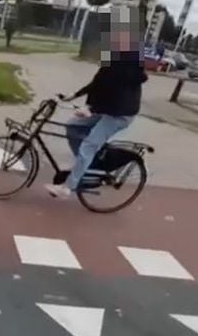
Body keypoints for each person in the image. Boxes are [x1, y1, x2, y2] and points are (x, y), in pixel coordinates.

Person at [46, 12, 148, 199]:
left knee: (88, 146)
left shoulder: (130, 58)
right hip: (108, 109)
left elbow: (117, 88)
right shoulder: (114, 54)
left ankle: (67, 188)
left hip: (120, 114)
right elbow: (99, 82)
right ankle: (84, 164)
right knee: (72, 126)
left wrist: (91, 108)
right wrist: (74, 95)